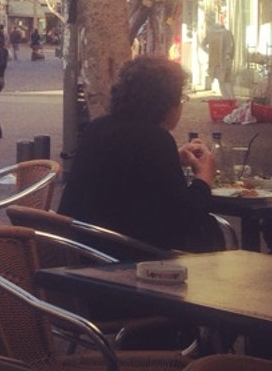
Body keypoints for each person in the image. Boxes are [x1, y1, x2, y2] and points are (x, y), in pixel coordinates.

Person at [58, 55, 218, 253]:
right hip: (127, 258)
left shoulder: (97, 128)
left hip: (78, 249)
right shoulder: (156, 140)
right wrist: (204, 179)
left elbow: (126, 173)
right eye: (180, 99)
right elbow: (183, 221)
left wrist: (173, 159)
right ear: (167, 104)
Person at [202, 20, 234, 98]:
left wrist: (228, 55)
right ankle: (227, 99)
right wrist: (209, 51)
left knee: (225, 80)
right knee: (222, 81)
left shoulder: (225, 33)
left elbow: (230, 46)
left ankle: (230, 99)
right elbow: (203, 44)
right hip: (217, 63)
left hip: (223, 62)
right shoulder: (214, 34)